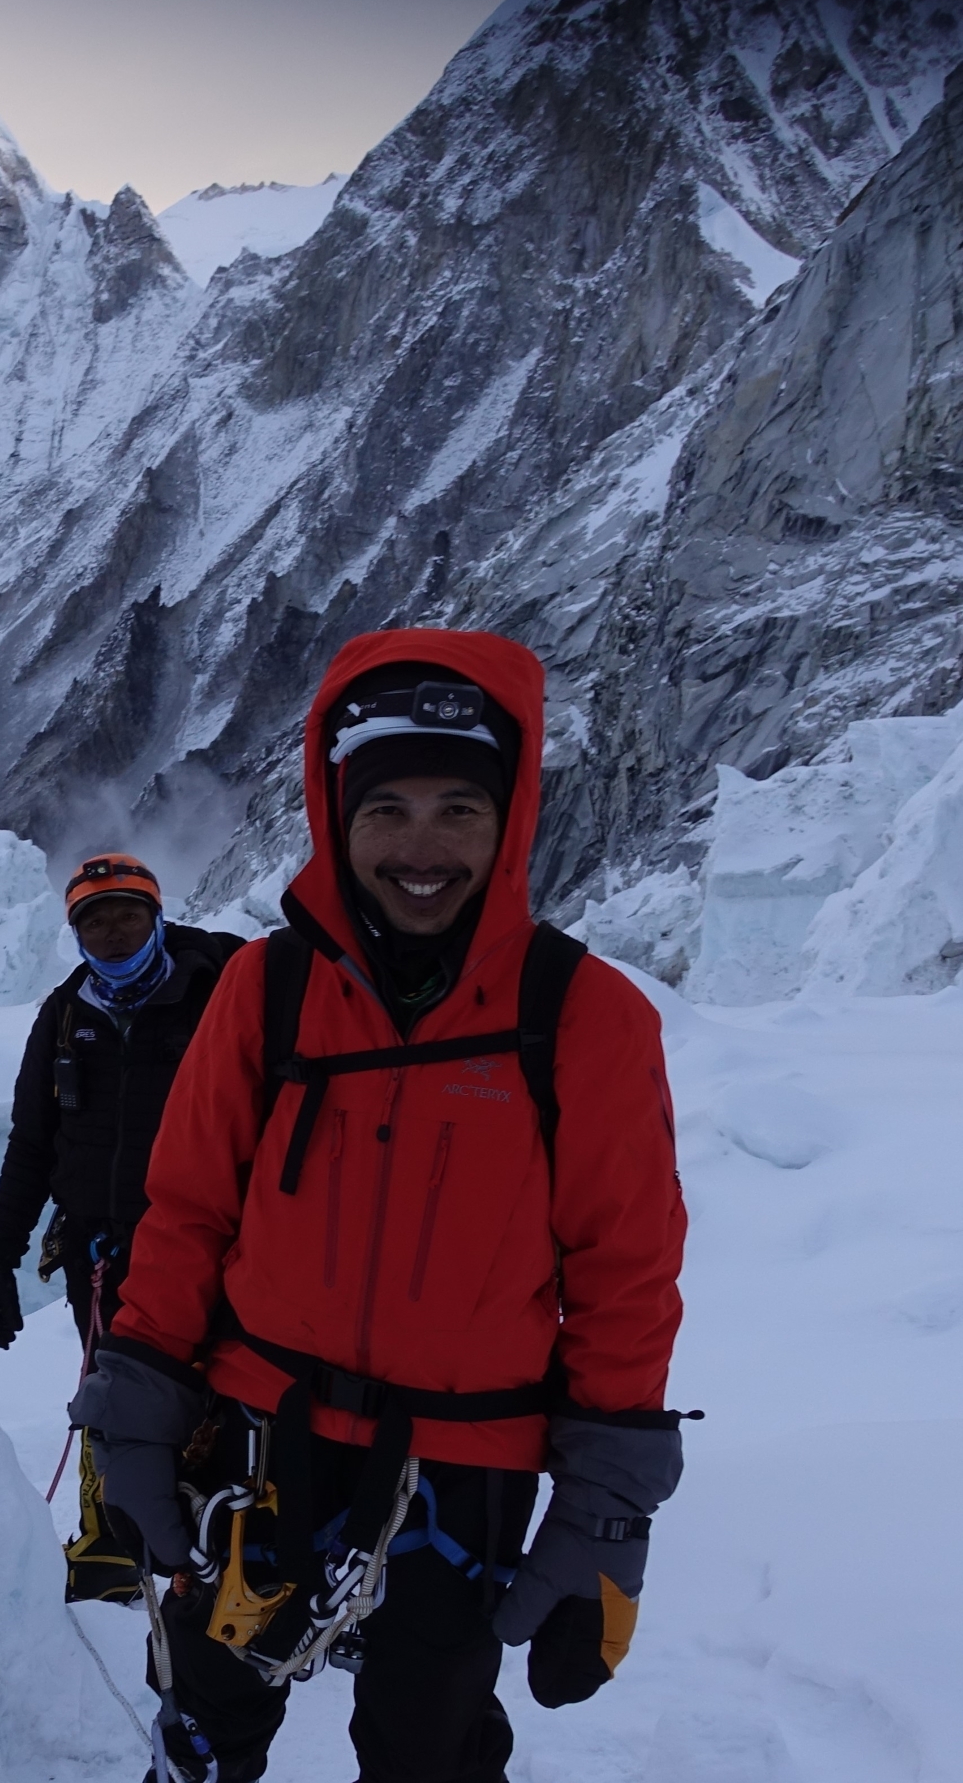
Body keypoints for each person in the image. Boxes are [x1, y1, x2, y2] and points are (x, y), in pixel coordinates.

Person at [71, 630, 687, 1783]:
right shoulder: (269, 990)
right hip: (256, 1445)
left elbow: (625, 1267)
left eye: (459, 808)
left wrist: (607, 1502)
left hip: (461, 1468)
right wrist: (139, 1395)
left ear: (509, 823)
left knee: (431, 1744)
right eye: (385, 809)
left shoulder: (583, 1016)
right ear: (333, 817)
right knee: (207, 1711)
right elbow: (190, 1207)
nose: (420, 847)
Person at [0, 856, 243, 1351]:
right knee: (114, 1412)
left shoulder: (217, 998)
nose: (113, 934)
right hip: (99, 1260)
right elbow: (32, 1144)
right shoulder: (64, 1016)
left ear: (157, 919)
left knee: (205, 1415)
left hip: (205, 1257)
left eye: (128, 916)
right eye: (94, 922)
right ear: (77, 935)